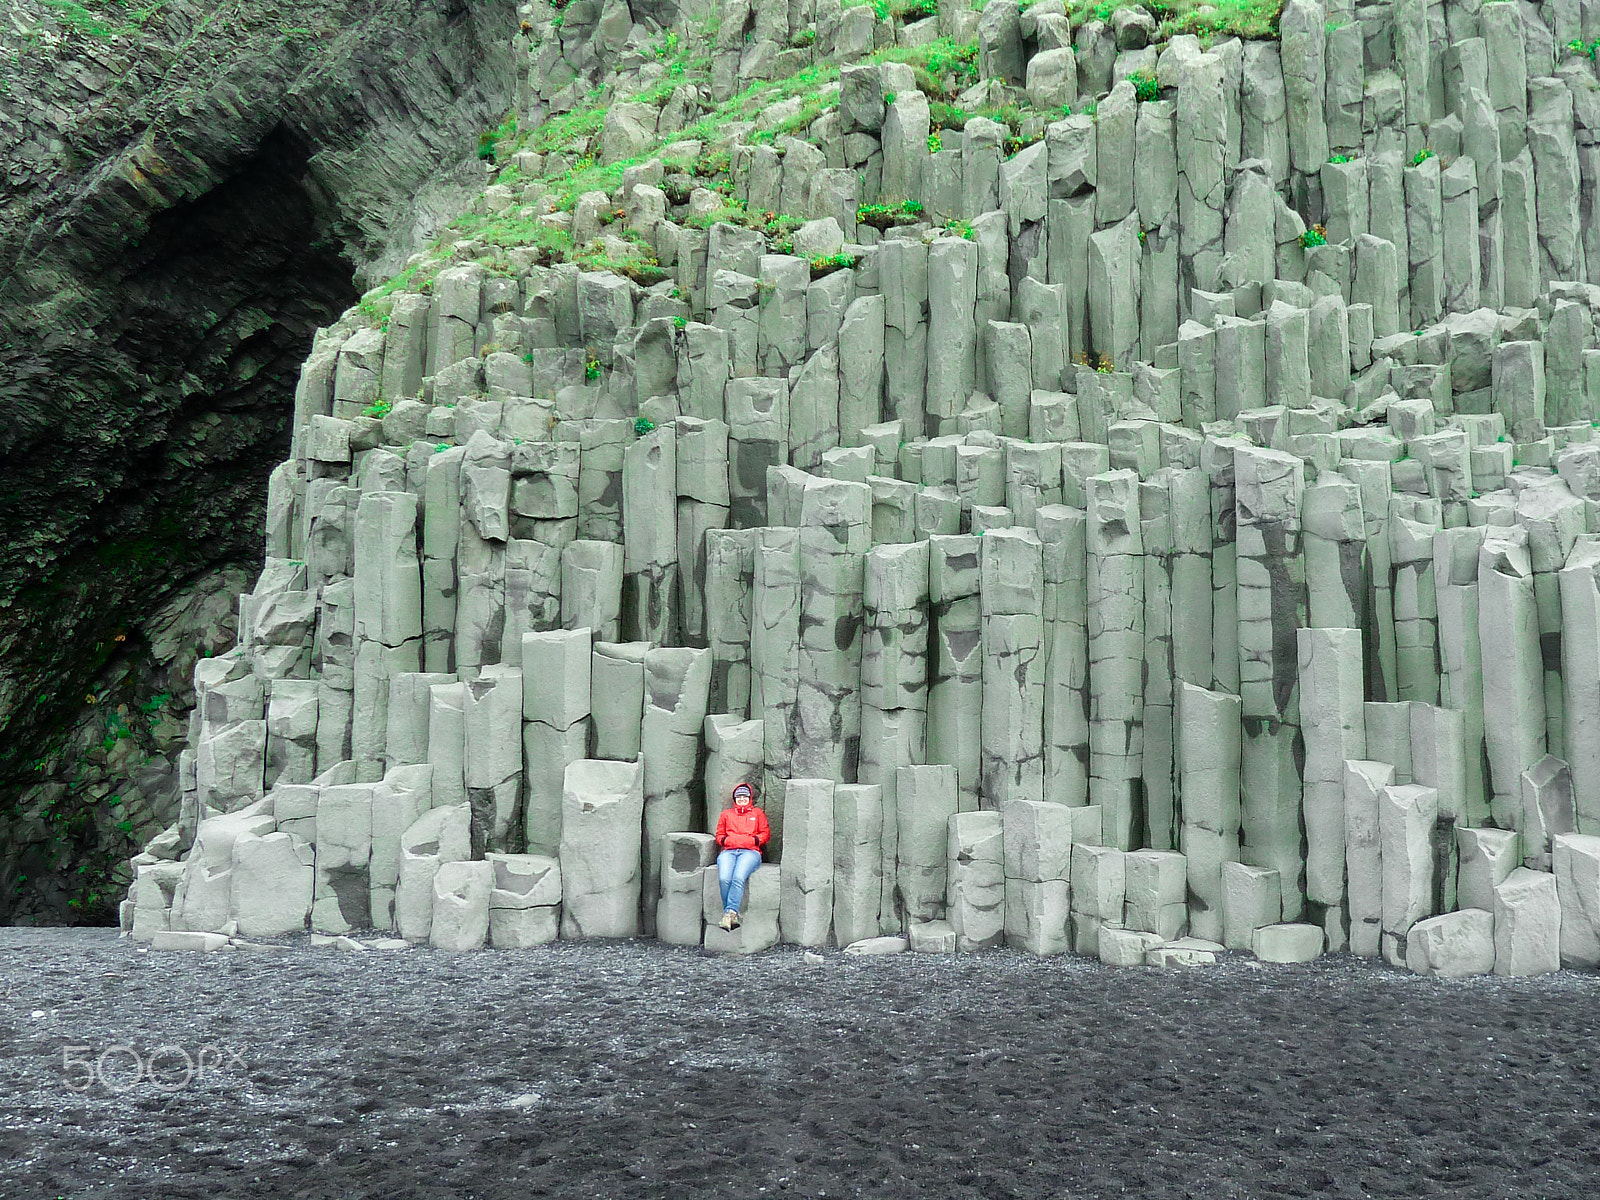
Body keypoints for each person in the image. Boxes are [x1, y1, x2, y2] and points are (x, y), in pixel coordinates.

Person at [713, 782, 770, 931]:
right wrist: (727, 841)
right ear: (735, 799)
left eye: (745, 796)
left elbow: (765, 834)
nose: (742, 799)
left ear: (750, 798)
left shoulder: (757, 813)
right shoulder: (726, 814)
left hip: (750, 852)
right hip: (729, 851)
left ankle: (729, 913)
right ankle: (731, 916)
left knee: (738, 877)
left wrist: (753, 841)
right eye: (739, 797)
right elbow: (719, 835)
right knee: (724, 878)